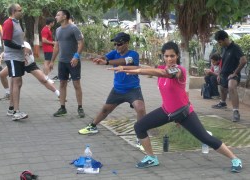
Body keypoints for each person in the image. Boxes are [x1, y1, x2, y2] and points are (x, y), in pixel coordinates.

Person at [109, 41, 242, 173]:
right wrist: (123, 68)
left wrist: (137, 71)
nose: (169, 59)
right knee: (139, 127)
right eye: (166, 56)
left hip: (184, 113)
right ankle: (151, 157)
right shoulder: (161, 68)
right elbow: (148, 68)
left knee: (205, 138)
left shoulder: (179, 70)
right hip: (166, 111)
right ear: (163, 56)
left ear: (177, 56)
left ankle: (235, 159)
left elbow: (163, 73)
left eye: (172, 56)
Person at [78, 32, 146, 136]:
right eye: (115, 44)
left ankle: (141, 134)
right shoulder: (114, 53)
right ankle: (92, 126)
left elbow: (124, 61)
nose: (117, 46)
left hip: (133, 89)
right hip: (117, 90)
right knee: (105, 110)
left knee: (140, 109)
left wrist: (107, 62)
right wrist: (99, 58)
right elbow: (105, 57)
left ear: (127, 43)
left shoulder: (133, 54)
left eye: (119, 44)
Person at [50, 9, 85, 118]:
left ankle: (80, 107)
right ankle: (62, 108)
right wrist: (52, 61)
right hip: (62, 62)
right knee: (62, 84)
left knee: (76, 84)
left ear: (64, 16)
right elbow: (56, 47)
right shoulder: (58, 30)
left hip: (73, 62)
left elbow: (81, 43)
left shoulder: (73, 28)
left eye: (58, 15)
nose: (56, 17)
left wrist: (76, 56)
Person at [211, 30, 247, 122]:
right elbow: (222, 62)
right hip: (224, 74)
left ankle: (236, 112)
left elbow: (243, 61)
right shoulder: (224, 48)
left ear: (226, 39)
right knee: (222, 89)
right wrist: (219, 73)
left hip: (233, 74)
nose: (219, 44)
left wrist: (235, 73)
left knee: (231, 86)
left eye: (220, 42)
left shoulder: (235, 48)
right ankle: (222, 103)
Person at [2, 3, 30, 120]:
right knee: (17, 81)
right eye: (19, 10)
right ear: (13, 11)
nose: (21, 12)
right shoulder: (8, 23)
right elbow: (7, 42)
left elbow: (18, 40)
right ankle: (16, 112)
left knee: (16, 82)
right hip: (12, 57)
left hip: (18, 57)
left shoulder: (17, 23)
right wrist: (22, 48)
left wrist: (24, 53)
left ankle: (11, 109)